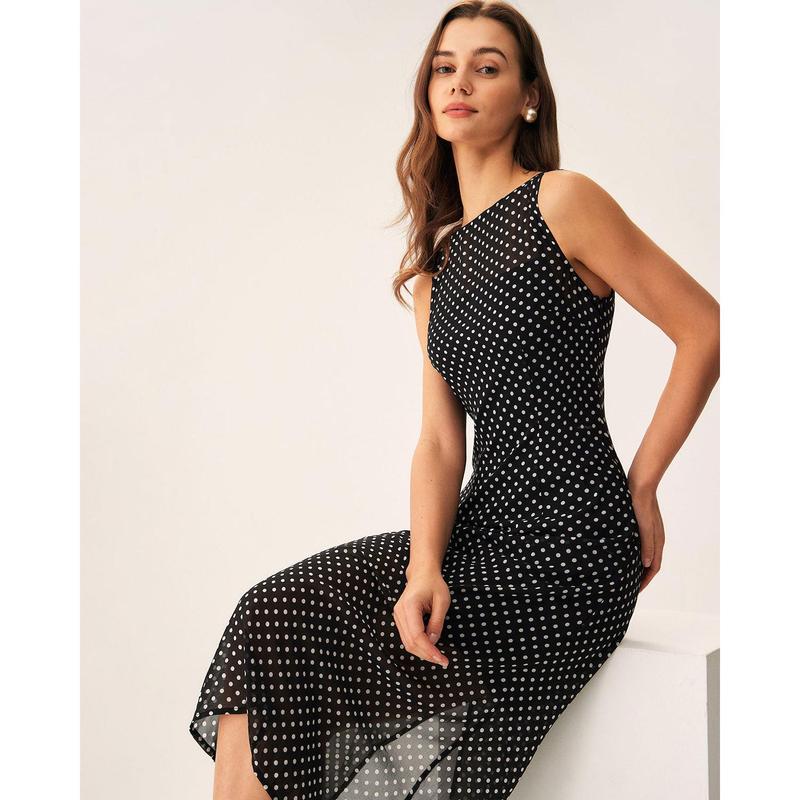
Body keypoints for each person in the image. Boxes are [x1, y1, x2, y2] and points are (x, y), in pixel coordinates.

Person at [188, 3, 720, 798]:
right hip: (481, 529)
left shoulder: (562, 202)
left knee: (292, 626)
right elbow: (441, 444)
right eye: (445, 67)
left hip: (573, 543)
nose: (459, 82)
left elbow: (705, 330)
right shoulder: (435, 275)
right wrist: (423, 566)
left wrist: (640, 486)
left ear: (529, 97)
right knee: (271, 613)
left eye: (486, 66)